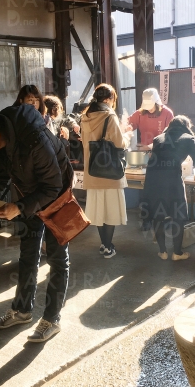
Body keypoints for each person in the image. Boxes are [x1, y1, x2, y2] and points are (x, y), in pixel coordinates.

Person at [0, 104, 72, 342]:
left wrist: (19, 207)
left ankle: (52, 319)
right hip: (30, 192)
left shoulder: (34, 140)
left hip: (57, 193)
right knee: (28, 253)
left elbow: (52, 185)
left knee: (56, 257)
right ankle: (22, 310)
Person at [141, 115, 195, 261]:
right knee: (177, 215)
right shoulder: (187, 138)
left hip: (153, 179)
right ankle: (177, 253)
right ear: (186, 126)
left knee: (158, 214)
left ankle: (163, 252)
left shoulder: (159, 138)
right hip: (172, 179)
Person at [80, 83, 131, 258]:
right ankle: (108, 247)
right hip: (110, 173)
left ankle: (104, 244)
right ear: (109, 99)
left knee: (99, 212)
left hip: (92, 171)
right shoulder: (109, 116)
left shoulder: (85, 116)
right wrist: (127, 136)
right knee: (111, 212)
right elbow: (119, 143)